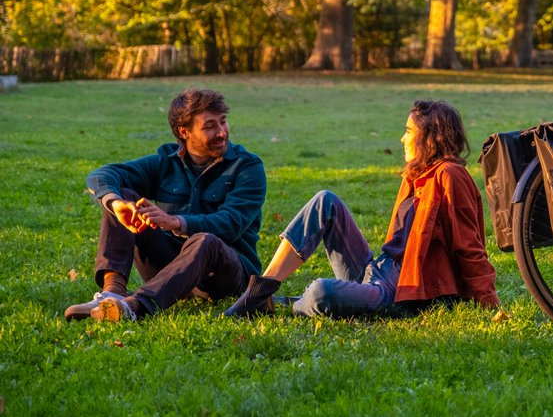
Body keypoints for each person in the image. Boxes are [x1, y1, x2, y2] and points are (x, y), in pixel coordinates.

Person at [223, 99, 498, 319]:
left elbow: (469, 246)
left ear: (431, 137)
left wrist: (489, 303)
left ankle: (283, 305)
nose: (403, 139)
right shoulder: (416, 175)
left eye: (409, 132)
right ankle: (260, 292)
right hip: (377, 268)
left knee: (321, 292)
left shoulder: (449, 175)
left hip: (398, 290)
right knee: (325, 200)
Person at [63, 88, 266, 322]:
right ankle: (112, 293)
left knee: (206, 241)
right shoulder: (165, 163)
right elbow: (102, 176)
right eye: (209, 126)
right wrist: (116, 203)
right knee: (124, 197)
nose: (221, 132)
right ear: (184, 132)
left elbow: (231, 223)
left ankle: (134, 307)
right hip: (169, 268)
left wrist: (176, 222)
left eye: (223, 122)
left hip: (223, 276)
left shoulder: (247, 167)